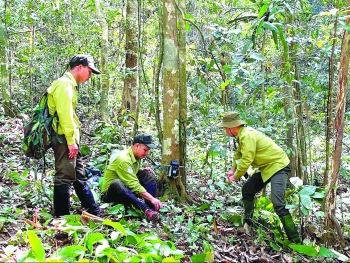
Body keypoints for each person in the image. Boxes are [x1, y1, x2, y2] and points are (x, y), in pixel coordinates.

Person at [217, 111, 301, 243]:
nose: (225, 132)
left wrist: (236, 176)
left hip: (278, 166)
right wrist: (233, 168)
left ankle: (296, 241)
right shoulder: (242, 135)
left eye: (225, 129)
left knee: (278, 203)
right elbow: (238, 155)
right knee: (247, 190)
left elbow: (247, 159)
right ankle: (248, 223)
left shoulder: (247, 135)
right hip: (267, 167)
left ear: (231, 127)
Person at [47, 54, 102, 217]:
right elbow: (65, 115)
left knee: (78, 174)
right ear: (80, 67)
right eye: (89, 71)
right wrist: (71, 141)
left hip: (68, 137)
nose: (90, 76)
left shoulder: (69, 85)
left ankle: (92, 208)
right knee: (64, 176)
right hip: (63, 137)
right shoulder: (64, 85)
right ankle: (61, 217)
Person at [101, 133, 163, 221]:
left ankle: (152, 207)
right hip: (111, 194)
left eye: (148, 150)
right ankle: (146, 209)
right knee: (117, 183)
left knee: (147, 175)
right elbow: (133, 184)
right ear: (137, 146)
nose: (146, 153)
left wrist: (141, 170)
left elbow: (130, 173)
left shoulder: (136, 157)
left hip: (126, 189)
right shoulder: (123, 159)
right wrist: (152, 198)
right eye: (145, 150)